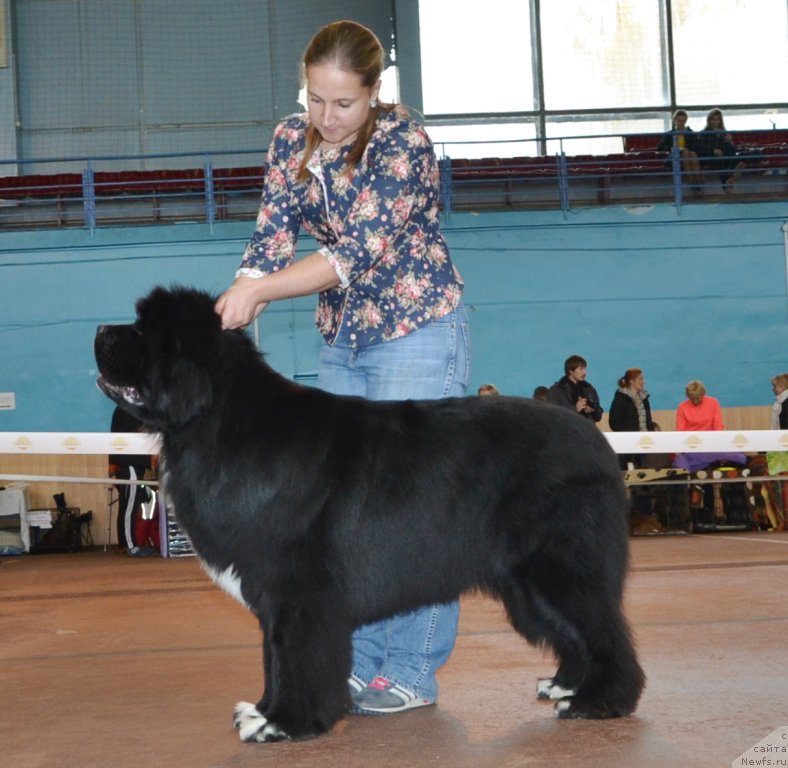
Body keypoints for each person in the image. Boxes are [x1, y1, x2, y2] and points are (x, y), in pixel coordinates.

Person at [215, 20, 470, 715]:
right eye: (315, 101)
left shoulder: (403, 142)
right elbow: (269, 237)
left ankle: (413, 669)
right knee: (348, 514)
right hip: (343, 340)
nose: (326, 119)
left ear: (374, 93)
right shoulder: (287, 141)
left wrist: (262, 291)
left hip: (417, 328)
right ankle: (364, 663)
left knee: (415, 509)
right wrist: (240, 300)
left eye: (343, 104)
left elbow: (349, 256)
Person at [109, 406, 158, 557]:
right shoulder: (129, 409)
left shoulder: (124, 408)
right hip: (130, 461)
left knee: (127, 504)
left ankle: (125, 544)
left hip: (130, 461)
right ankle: (131, 545)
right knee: (130, 503)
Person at [673, 380, 745, 471]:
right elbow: (680, 432)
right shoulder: (682, 407)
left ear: (703, 394)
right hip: (692, 446)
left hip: (711, 443)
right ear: (688, 396)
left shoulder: (713, 402)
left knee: (738, 456)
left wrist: (714, 442)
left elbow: (718, 426)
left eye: (698, 398)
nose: (695, 401)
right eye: (692, 398)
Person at [608, 368, 656, 469]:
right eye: (640, 379)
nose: (644, 381)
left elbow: (648, 419)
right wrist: (627, 434)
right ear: (632, 382)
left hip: (645, 441)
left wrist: (651, 434)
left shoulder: (644, 398)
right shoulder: (620, 399)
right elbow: (614, 422)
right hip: (628, 443)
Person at [695, 108, 746, 194]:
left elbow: (731, 148)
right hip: (711, 157)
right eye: (713, 119)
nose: (715, 121)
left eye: (717, 119)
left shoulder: (724, 132)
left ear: (720, 120)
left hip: (725, 155)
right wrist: (713, 150)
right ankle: (731, 177)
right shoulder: (704, 133)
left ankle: (728, 181)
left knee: (731, 153)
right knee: (721, 160)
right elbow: (701, 148)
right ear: (709, 120)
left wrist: (730, 141)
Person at [658, 109, 702, 195]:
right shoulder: (670, 134)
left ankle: (694, 181)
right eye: (679, 121)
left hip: (689, 156)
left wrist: (686, 149)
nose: (681, 123)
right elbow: (660, 147)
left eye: (683, 121)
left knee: (691, 153)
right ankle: (696, 182)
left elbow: (697, 146)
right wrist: (673, 148)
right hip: (674, 157)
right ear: (675, 121)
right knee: (688, 154)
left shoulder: (690, 133)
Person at [547, 355, 603, 422]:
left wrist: (594, 410)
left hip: (587, 430)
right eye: (581, 369)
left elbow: (599, 416)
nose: (585, 372)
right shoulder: (556, 390)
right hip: (567, 431)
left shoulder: (589, 389)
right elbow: (553, 415)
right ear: (570, 371)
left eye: (585, 369)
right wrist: (575, 408)